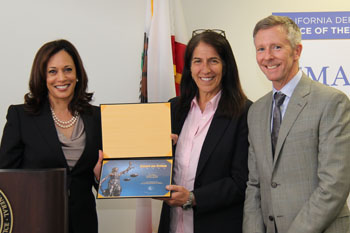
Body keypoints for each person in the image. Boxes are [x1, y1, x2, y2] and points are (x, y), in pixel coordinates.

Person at [243, 15, 350, 233]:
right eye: (261, 49)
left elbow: (334, 186)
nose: (268, 57)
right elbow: (254, 185)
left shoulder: (331, 102)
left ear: (297, 51)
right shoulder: (255, 112)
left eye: (276, 47)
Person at [0, 39, 103, 233]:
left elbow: (109, 182)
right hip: (33, 222)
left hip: (83, 224)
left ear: (78, 74)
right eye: (52, 71)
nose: (61, 78)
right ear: (42, 77)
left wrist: (100, 178)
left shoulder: (97, 117)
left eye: (68, 69)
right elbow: (5, 178)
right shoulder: (21, 116)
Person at [158, 29, 252, 233]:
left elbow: (241, 181)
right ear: (189, 67)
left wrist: (193, 198)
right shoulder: (174, 109)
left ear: (225, 66)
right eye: (197, 61)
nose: (205, 69)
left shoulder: (244, 113)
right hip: (173, 226)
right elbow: (157, 167)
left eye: (214, 61)